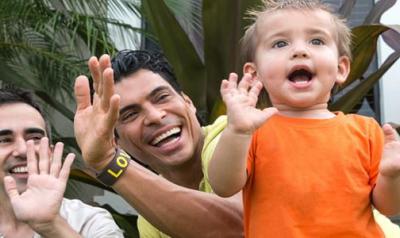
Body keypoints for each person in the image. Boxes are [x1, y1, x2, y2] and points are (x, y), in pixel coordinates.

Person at [207, 0, 400, 237]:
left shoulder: (365, 131)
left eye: (316, 41)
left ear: (341, 68)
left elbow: (389, 207)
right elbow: (223, 186)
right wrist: (236, 132)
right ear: (254, 72)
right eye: (280, 43)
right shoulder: (252, 131)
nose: (299, 50)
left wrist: (391, 176)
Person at [73, 50, 243, 238]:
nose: (155, 116)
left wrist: (108, 162)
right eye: (130, 115)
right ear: (116, 142)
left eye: (161, 97)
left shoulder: (235, 136)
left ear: (188, 101)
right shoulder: (150, 220)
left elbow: (239, 227)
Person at [0, 88, 123, 238]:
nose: (23, 150)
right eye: (4, 140)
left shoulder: (89, 222)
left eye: (35, 138)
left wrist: (52, 226)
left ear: (51, 153)